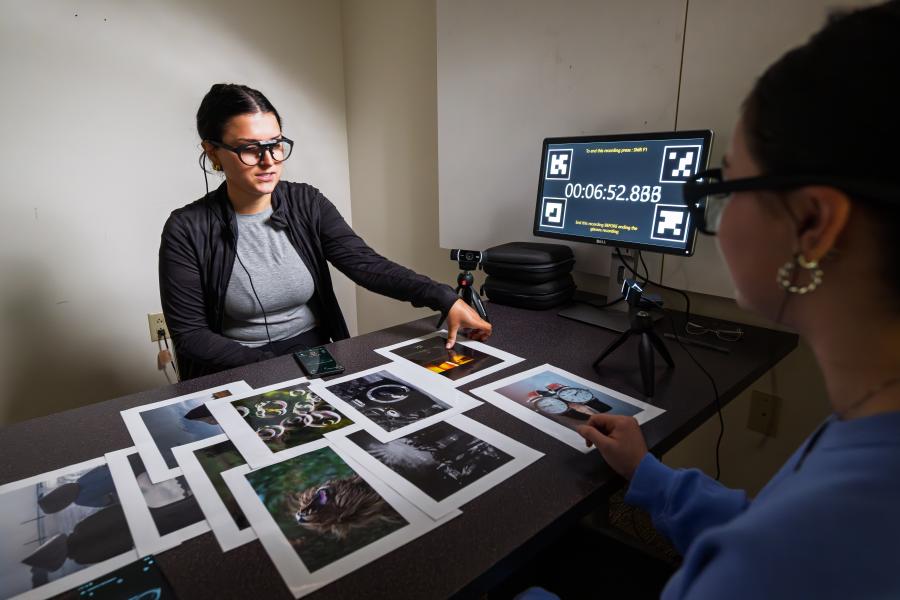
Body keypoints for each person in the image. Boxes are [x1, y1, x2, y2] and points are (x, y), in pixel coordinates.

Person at [572, 3, 900, 598]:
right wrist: (652, 476)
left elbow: (779, 550)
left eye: (723, 184)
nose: (710, 209)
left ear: (812, 222)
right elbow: (768, 523)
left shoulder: (780, 560)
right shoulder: (869, 432)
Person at [159, 84, 491, 380]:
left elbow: (366, 265)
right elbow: (191, 335)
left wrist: (445, 299)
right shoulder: (186, 229)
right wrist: (272, 366)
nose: (269, 161)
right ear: (213, 151)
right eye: (250, 149)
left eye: (275, 145)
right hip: (234, 364)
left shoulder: (307, 202)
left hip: (311, 350)